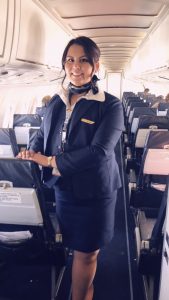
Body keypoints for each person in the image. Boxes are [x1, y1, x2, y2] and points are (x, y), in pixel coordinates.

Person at [17, 36, 124, 300]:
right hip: (64, 189)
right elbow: (42, 133)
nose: (76, 67)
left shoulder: (110, 105)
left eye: (83, 60)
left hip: (94, 194)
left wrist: (51, 161)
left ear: (95, 66)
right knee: (74, 247)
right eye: (70, 60)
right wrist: (33, 150)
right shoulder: (56, 100)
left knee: (87, 254)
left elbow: (99, 152)